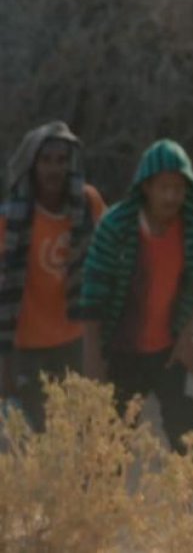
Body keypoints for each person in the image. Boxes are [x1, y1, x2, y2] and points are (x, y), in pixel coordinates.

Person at [78, 139, 193, 454]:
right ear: (146, 187)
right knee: (108, 446)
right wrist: (93, 359)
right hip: (121, 350)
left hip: (172, 347)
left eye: (178, 188)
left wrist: (189, 333)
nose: (171, 197)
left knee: (186, 436)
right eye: (164, 188)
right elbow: (93, 294)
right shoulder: (116, 227)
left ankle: (183, 490)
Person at [0, 122, 105, 431]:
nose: (54, 169)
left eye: (61, 160)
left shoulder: (88, 204)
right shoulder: (10, 220)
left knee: (82, 431)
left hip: (77, 340)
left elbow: (111, 256)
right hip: (28, 347)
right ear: (33, 165)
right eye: (46, 160)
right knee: (40, 437)